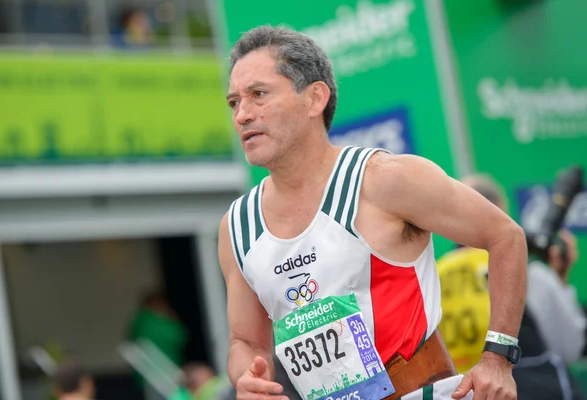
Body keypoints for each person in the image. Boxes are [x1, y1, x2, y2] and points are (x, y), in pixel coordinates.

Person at [218, 26, 527, 400]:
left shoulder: (383, 179)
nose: (243, 115)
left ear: (315, 98)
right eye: (235, 102)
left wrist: (498, 357)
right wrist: (247, 377)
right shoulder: (238, 226)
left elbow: (506, 236)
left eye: (258, 95)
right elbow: (245, 341)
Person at [440, 174, 586, 399]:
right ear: (498, 209)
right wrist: (558, 281)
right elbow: (571, 347)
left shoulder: (437, 275)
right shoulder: (523, 270)